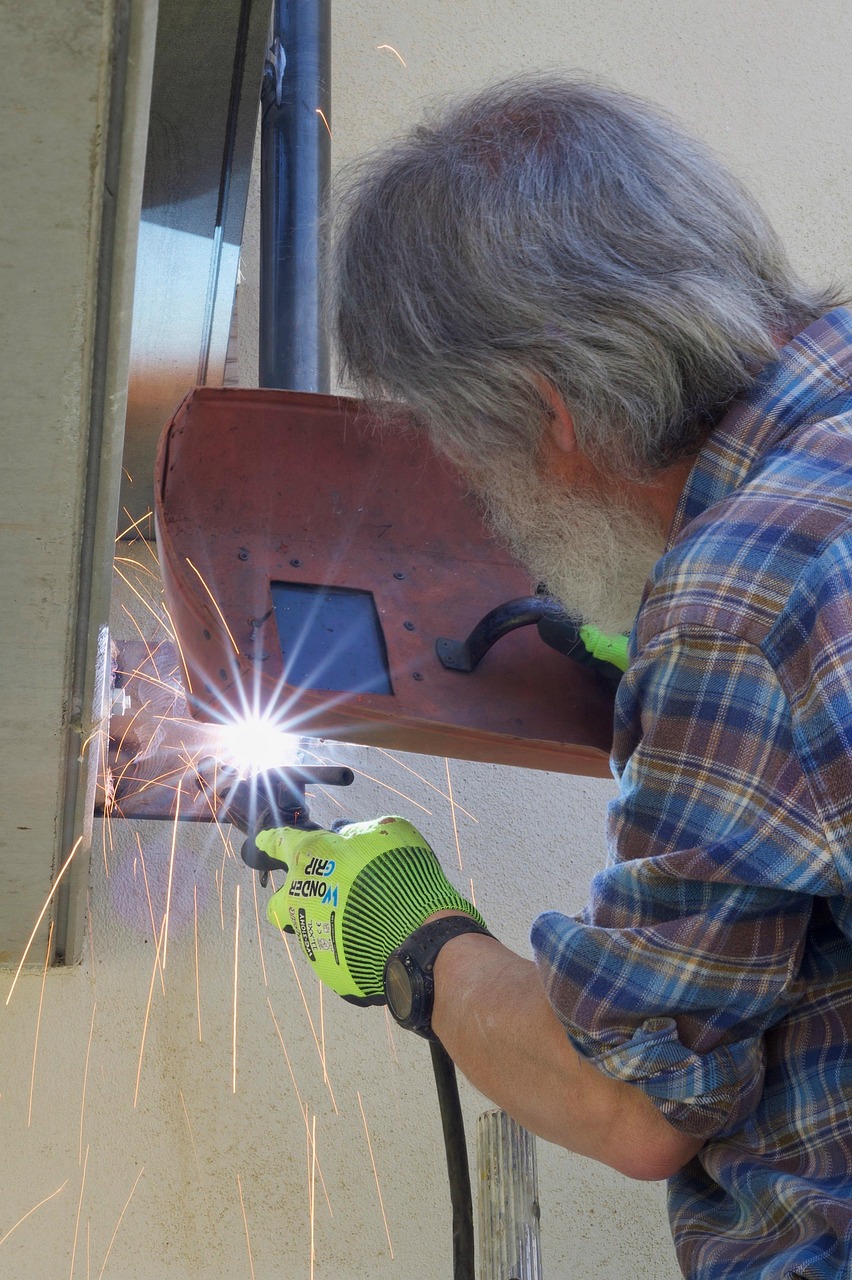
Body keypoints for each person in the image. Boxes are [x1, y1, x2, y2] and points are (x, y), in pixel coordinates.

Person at [256, 79, 852, 1278]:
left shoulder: (738, 595)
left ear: (551, 413)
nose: (489, 505)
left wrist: (418, 944)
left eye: (468, 457)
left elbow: (629, 1101)